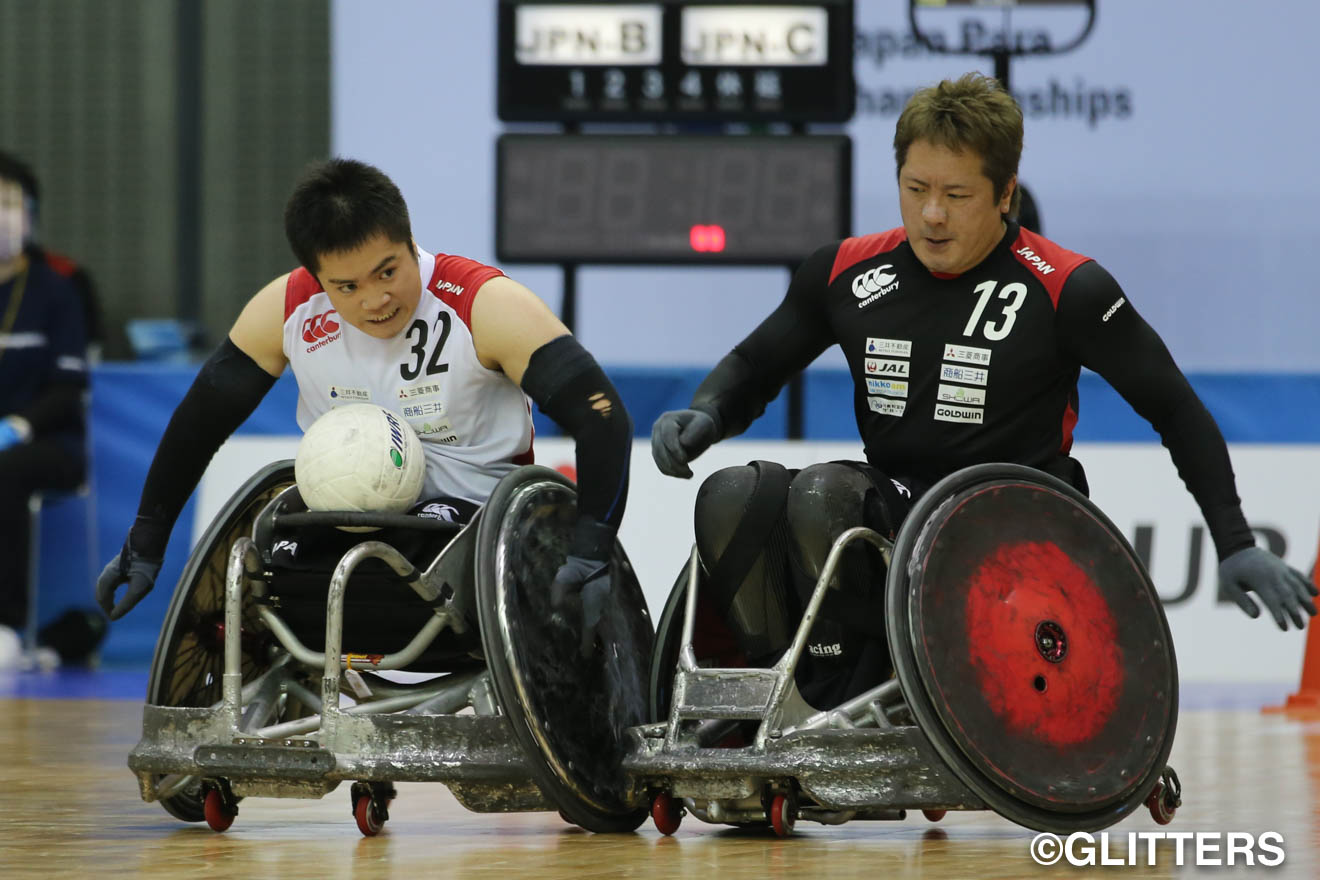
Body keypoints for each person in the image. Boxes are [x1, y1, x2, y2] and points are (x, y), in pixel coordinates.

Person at [651, 72, 1317, 708]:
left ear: (1006, 195)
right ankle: (799, 695)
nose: (932, 215)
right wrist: (706, 413)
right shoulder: (847, 272)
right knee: (729, 495)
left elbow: (1175, 408)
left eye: (958, 196)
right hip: (897, 511)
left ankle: (860, 686)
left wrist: (1233, 542)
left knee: (824, 494)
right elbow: (754, 366)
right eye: (915, 189)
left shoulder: (1068, 288)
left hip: (1014, 526)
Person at [96, 158, 631, 655]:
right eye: (346, 286)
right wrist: (146, 540)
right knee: (272, 558)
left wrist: (590, 552)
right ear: (316, 278)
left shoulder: (484, 304)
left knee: (391, 557)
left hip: (476, 526)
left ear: (409, 241)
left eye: (387, 271)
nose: (375, 300)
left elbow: (603, 414)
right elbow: (197, 425)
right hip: (348, 513)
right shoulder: (285, 309)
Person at [0, 151, 92, 653]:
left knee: (8, 471)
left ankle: (8, 625)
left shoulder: (57, 291)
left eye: (10, 203)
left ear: (29, 212)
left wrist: (18, 425)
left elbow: (67, 389)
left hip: (48, 441)